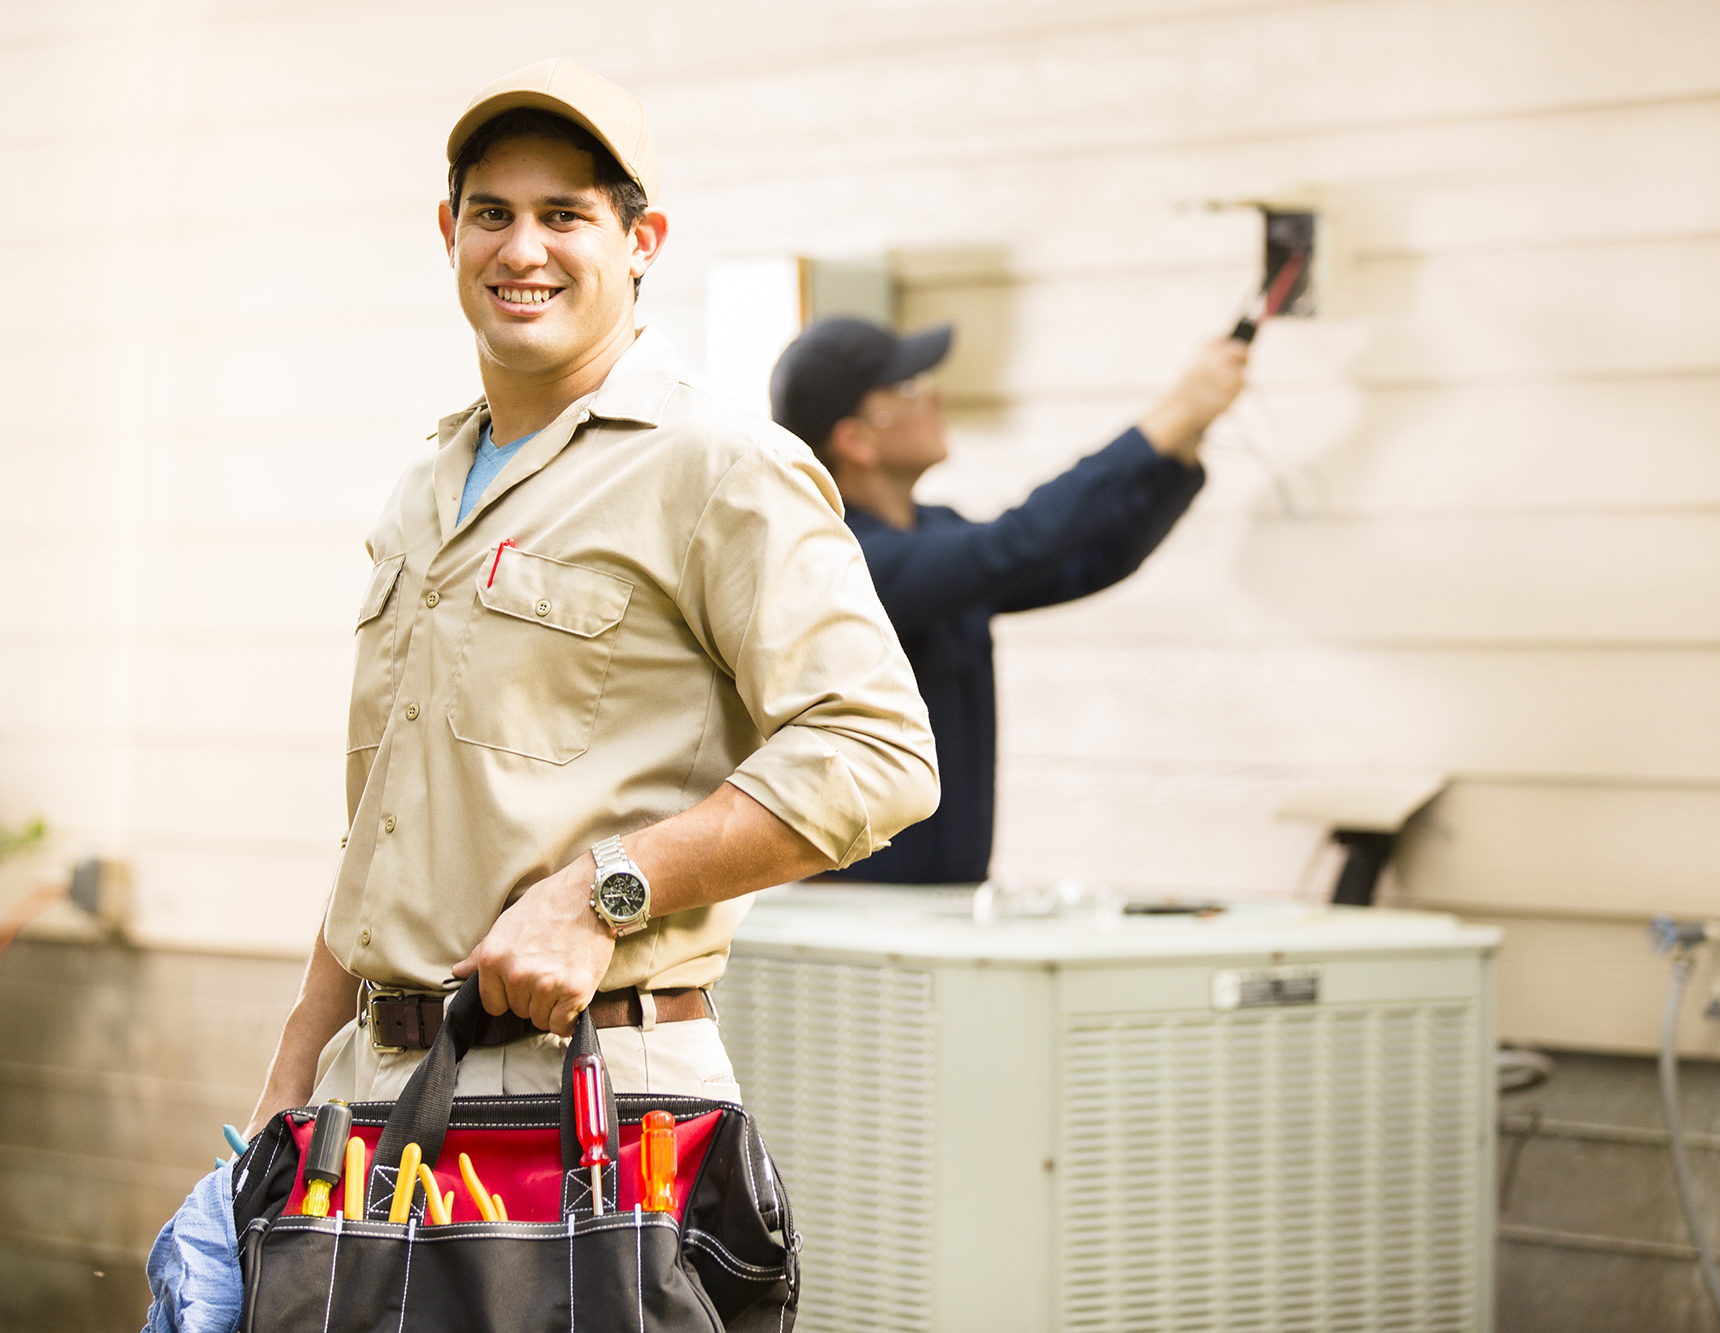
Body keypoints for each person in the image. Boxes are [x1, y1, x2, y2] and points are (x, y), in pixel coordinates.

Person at [241, 60, 937, 1136]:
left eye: (563, 214)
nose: (522, 249)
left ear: (640, 242)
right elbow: (382, 829)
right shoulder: (422, 490)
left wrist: (604, 888)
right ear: (449, 233)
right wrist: (292, 1076)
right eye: (492, 214)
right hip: (368, 1097)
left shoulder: (717, 464)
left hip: (590, 1096)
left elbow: (877, 750)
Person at [769, 318, 1246, 884]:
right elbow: (1017, 544)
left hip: (948, 895)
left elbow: (1088, 561)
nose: (933, 396)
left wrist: (1183, 442)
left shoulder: (931, 533)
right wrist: (1170, 415)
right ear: (856, 440)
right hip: (862, 907)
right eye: (906, 389)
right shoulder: (842, 559)